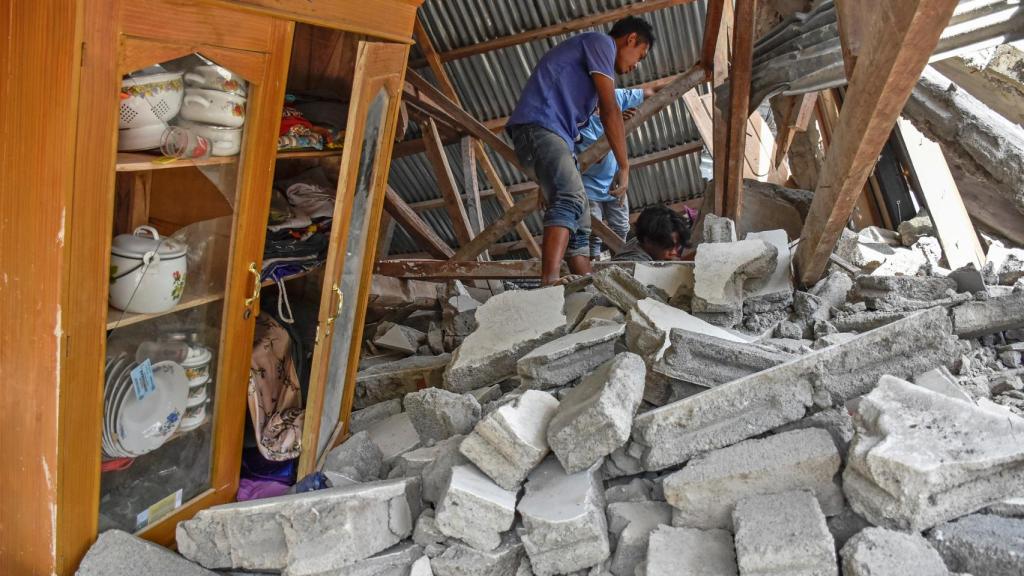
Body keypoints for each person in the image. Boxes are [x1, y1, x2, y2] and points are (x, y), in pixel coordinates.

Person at [505, 16, 655, 285]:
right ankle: (549, 282)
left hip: (552, 139)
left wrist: (547, 178)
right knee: (571, 199)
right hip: (540, 126)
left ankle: (587, 285)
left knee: (581, 218)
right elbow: (611, 112)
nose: (636, 65)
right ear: (630, 39)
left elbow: (591, 120)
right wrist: (624, 165)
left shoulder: (590, 89)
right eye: (640, 55)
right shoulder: (601, 44)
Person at [577, 87, 654, 259]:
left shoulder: (613, 97)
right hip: (588, 184)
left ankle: (619, 263)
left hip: (614, 179)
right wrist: (614, 123)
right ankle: (593, 265)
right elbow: (597, 156)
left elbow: (650, 92)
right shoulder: (578, 121)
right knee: (592, 230)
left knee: (621, 228)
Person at [616, 205, 691, 262]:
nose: (674, 252)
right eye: (668, 247)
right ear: (648, 241)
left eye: (677, 246)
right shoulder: (637, 266)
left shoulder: (641, 240)